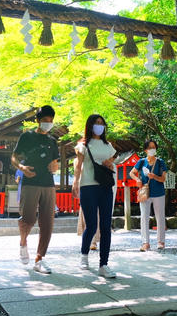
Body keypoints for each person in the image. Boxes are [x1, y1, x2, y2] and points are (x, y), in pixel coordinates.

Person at [11, 105, 59, 274]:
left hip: (48, 184)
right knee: (28, 219)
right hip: (30, 183)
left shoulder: (53, 141)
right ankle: (23, 242)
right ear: (38, 120)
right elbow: (14, 157)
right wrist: (22, 168)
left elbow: (56, 163)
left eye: (51, 120)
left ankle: (40, 258)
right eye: (45, 120)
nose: (49, 123)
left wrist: (55, 167)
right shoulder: (27, 136)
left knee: (48, 223)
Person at [72, 114, 117, 278]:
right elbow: (78, 166)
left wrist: (109, 161)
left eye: (102, 123)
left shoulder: (108, 145)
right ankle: (84, 256)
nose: (99, 126)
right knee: (91, 225)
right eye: (96, 123)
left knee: (106, 226)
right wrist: (75, 183)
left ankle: (103, 264)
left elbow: (113, 157)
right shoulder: (83, 145)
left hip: (105, 187)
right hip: (88, 186)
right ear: (90, 126)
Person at [130, 139, 167, 252]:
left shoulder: (160, 162)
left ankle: (160, 242)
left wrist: (154, 176)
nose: (152, 149)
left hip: (159, 192)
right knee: (144, 217)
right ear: (146, 150)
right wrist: (137, 179)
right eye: (150, 148)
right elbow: (131, 173)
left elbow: (163, 178)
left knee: (160, 217)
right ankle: (145, 243)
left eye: (154, 147)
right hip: (145, 192)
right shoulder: (141, 162)